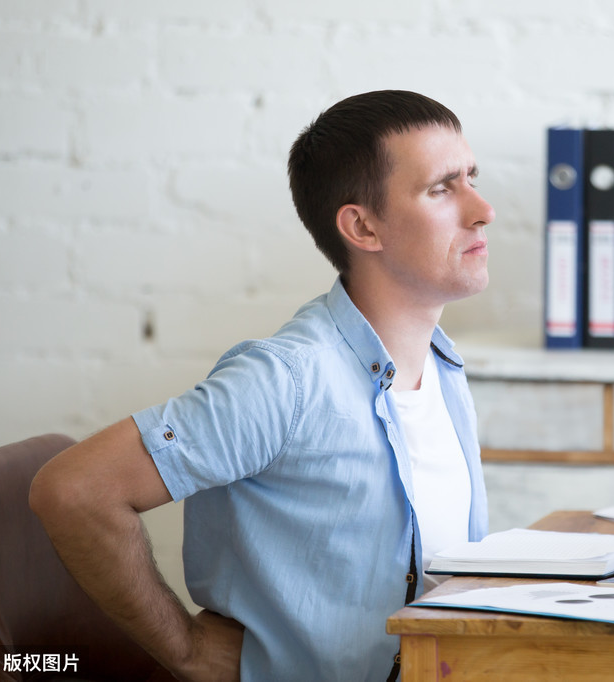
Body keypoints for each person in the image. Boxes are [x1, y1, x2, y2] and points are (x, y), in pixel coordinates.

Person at [29, 90, 495, 682]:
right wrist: (188, 652)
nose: (483, 209)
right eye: (441, 189)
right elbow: (73, 490)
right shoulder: (287, 380)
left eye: (472, 179)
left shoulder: (442, 365)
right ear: (362, 226)